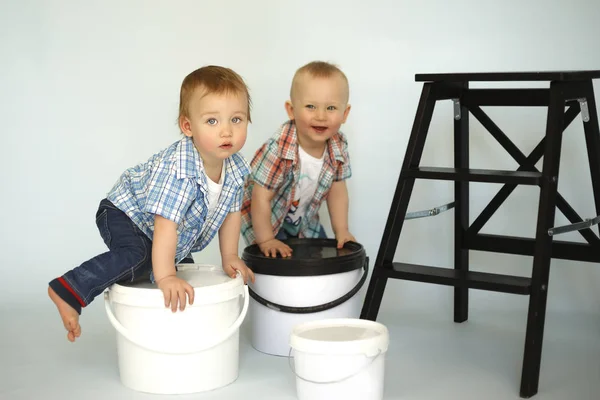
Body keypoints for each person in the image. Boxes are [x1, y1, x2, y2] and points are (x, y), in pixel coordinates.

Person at [48, 65, 255, 342]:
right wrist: (166, 275)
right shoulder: (179, 170)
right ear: (187, 126)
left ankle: (176, 329)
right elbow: (165, 226)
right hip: (125, 212)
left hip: (164, 230)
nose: (227, 132)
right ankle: (69, 289)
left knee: (184, 273)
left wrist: (229, 256)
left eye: (237, 120)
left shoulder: (236, 168)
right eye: (213, 121)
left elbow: (231, 213)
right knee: (140, 257)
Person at [241, 61, 356, 258]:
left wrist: (342, 230)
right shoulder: (278, 149)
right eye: (311, 106)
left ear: (345, 113)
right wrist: (266, 239)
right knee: (277, 267)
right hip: (267, 221)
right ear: (291, 110)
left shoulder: (338, 146)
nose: (321, 116)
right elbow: (260, 197)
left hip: (305, 223)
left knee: (319, 260)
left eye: (331, 108)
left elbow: (337, 191)